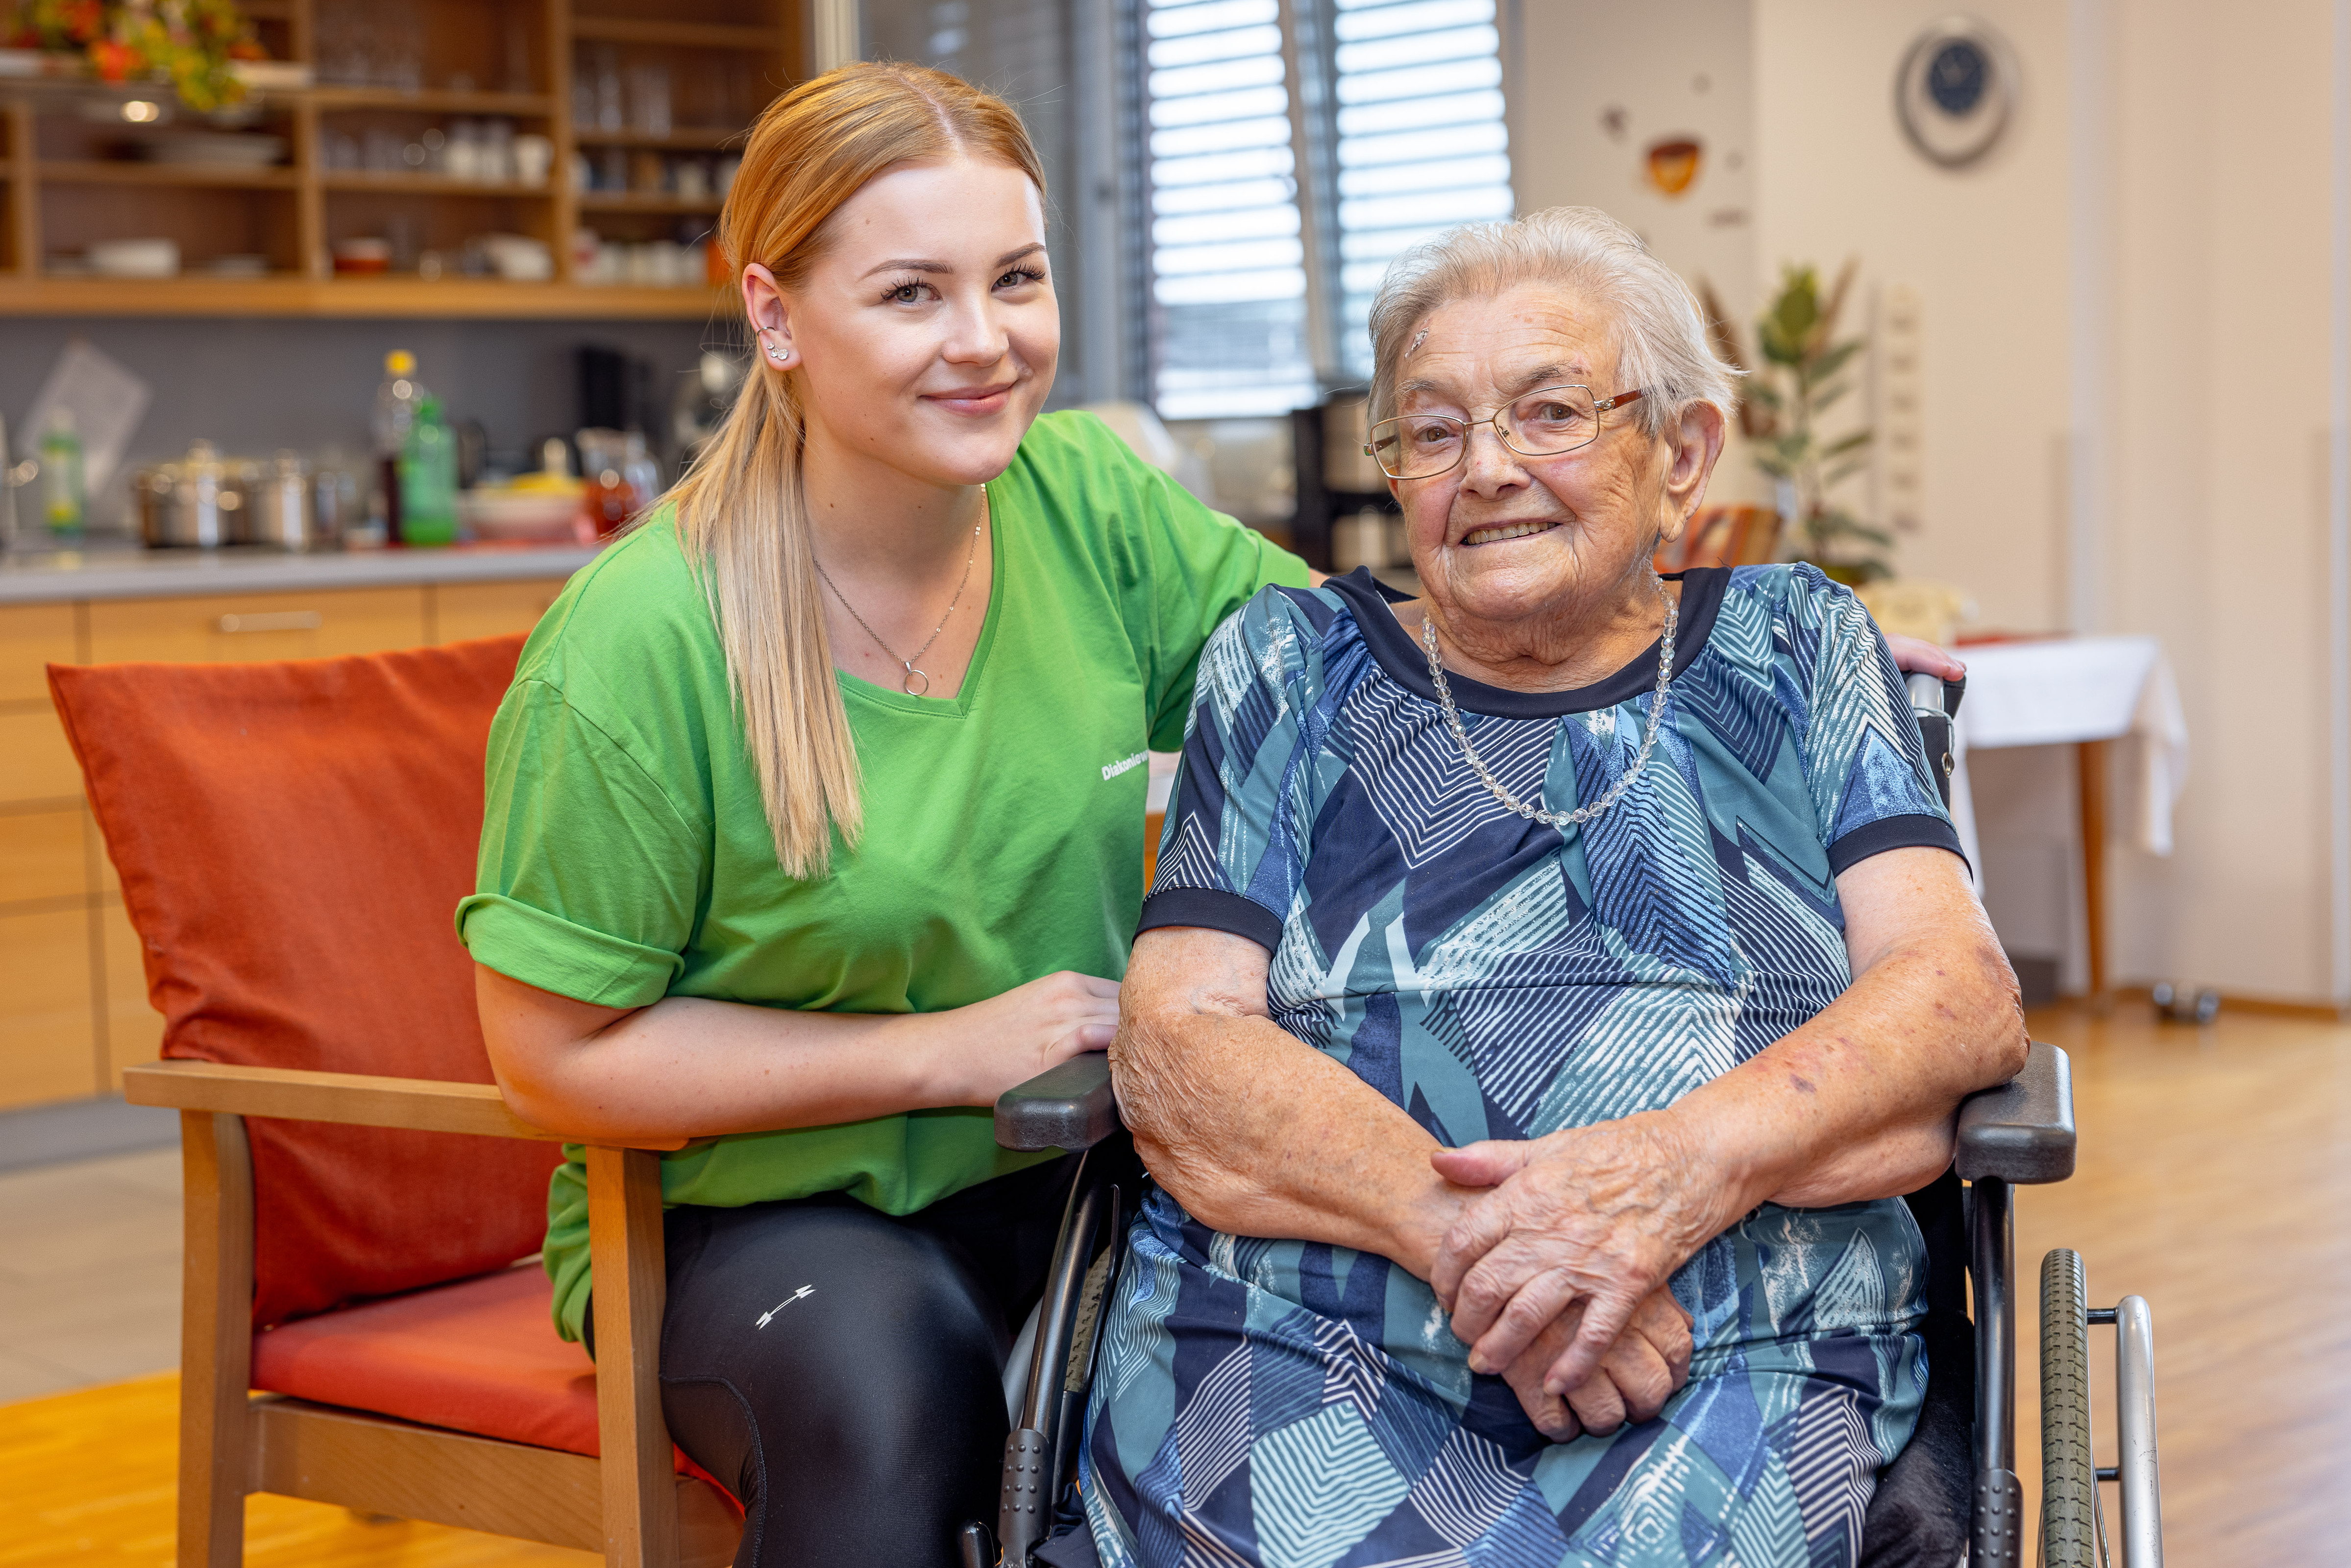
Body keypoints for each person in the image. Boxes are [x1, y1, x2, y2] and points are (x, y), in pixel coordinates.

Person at [456, 63, 1317, 1568]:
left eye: (1018, 281)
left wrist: (1713, 648)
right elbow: (549, 1056)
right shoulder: (641, 643)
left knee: (1309, 1381)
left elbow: (1343, 674)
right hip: (759, 1222)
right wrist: (942, 1050)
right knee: (901, 1401)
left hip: (1077, 1160)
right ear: (777, 318)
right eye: (913, 293)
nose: (986, 343)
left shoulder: (1093, 505)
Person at [1089, 207, 2026, 1568]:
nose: (1488, 470)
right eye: (1433, 430)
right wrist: (1498, 1242)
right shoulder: (1287, 670)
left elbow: (1956, 997)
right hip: (1302, 1335)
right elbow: (1179, 1045)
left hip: (1732, 1342)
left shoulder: (1798, 647)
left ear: (1683, 452)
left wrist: (1662, 1181)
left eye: (1550, 413)